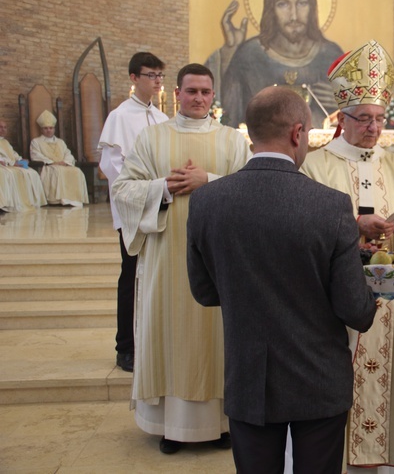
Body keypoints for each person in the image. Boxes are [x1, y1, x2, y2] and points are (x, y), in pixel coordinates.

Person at [186, 86, 377, 473]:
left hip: (249, 376)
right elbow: (356, 311)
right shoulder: (331, 206)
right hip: (318, 377)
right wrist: (377, 283)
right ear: (297, 133)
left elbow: (205, 292)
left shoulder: (207, 200)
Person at [300, 40, 394, 473]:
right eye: (365, 119)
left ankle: (386, 458)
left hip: (391, 301)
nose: (374, 128)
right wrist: (351, 230)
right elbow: (302, 228)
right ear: (342, 119)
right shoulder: (316, 166)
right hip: (336, 304)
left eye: (379, 119)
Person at [111, 63, 251, 454]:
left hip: (220, 263)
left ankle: (222, 424)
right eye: (191, 91)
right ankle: (171, 426)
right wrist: (165, 187)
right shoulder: (152, 138)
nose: (199, 99)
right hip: (166, 260)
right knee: (169, 331)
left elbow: (253, 190)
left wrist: (210, 181)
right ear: (177, 93)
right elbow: (123, 190)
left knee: (218, 335)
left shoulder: (233, 141)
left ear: (213, 95)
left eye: (206, 92)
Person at [98, 52, 170, 373]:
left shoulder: (163, 118)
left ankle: (154, 342)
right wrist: (141, 190)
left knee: (157, 277)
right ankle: (125, 347)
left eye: (159, 75)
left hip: (162, 204)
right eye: (150, 75)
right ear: (133, 78)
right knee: (130, 276)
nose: (156, 81)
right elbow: (111, 165)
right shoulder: (119, 117)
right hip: (133, 208)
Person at [219, 0, 343, 127]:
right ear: (271, 9)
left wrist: (342, 101)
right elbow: (229, 115)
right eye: (283, 4)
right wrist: (229, 52)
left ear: (312, 7)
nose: (293, 16)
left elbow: (357, 114)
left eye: (302, 3)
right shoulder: (249, 55)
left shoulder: (331, 55)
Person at [30, 110, 89, 207]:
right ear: (41, 130)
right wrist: (52, 162)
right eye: (46, 128)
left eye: (51, 128)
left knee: (77, 171)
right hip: (49, 166)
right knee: (58, 171)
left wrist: (65, 162)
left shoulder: (60, 142)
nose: (48, 130)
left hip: (63, 164)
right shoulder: (36, 142)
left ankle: (75, 199)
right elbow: (36, 155)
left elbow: (68, 153)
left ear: (54, 129)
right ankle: (60, 199)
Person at [0, 119, 47, 212]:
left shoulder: (5, 142)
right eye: (0, 127)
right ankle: (7, 204)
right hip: (5, 166)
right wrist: (12, 163)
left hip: (12, 165)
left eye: (5, 127)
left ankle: (31, 202)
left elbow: (13, 154)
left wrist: (20, 159)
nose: (3, 129)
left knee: (32, 173)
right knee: (7, 175)